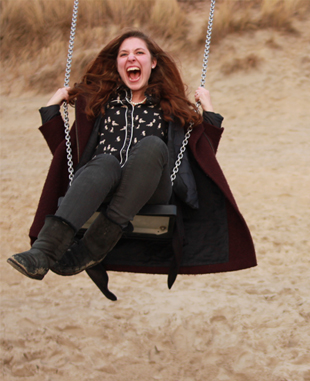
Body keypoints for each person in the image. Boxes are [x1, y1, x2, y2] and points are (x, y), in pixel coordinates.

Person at [8, 31, 255, 294]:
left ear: (153, 63)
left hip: (153, 192)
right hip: (101, 187)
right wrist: (51, 108)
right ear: (117, 65)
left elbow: (203, 158)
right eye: (123, 54)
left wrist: (210, 112)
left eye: (139, 53)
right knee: (104, 162)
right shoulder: (100, 106)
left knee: (151, 146)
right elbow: (65, 154)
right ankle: (43, 253)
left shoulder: (171, 107)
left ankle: (93, 246)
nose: (131, 59)